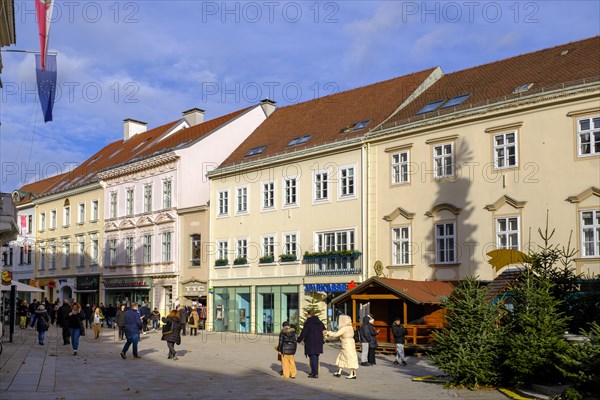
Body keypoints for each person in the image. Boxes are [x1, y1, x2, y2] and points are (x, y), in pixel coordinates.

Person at [327, 315, 359, 379]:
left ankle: (353, 373)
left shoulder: (345, 328)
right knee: (342, 358)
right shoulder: (350, 327)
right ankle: (339, 371)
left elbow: (336, 334)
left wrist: (328, 332)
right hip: (349, 344)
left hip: (347, 345)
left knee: (349, 358)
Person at [297, 309, 327, 378]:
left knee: (313, 357)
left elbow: (304, 333)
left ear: (309, 315)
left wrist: (298, 340)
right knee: (316, 356)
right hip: (319, 342)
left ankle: (315, 374)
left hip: (311, 342)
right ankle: (314, 372)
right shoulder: (319, 322)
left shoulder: (308, 322)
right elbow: (324, 330)